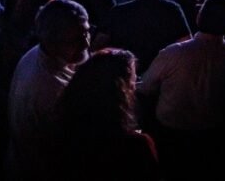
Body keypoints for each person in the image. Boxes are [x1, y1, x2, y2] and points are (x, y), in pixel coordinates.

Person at [138, 0, 225, 180]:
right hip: (214, 136)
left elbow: (145, 86)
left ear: (200, 15)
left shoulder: (174, 53)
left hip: (170, 135)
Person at [6, 0, 89, 181]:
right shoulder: (48, 88)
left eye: (86, 33)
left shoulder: (42, 53)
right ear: (52, 42)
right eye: (76, 40)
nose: (86, 44)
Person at [54, 49, 160, 181]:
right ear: (122, 92)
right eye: (133, 82)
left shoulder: (62, 130)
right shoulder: (136, 146)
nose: (135, 88)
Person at [99, 0, 190, 74]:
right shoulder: (172, 10)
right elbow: (186, 46)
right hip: (162, 78)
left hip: (125, 77)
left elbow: (98, 45)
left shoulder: (118, 12)